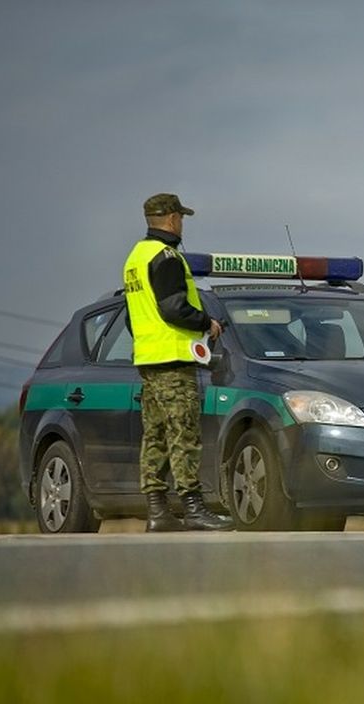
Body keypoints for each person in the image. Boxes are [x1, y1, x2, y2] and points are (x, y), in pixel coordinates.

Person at [123, 193, 234, 532]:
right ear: (172, 219)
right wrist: (206, 323)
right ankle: (193, 508)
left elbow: (131, 317)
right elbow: (173, 307)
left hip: (148, 358)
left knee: (155, 435)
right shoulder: (167, 257)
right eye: (181, 217)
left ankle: (157, 512)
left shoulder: (135, 258)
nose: (182, 223)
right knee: (184, 434)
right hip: (172, 359)